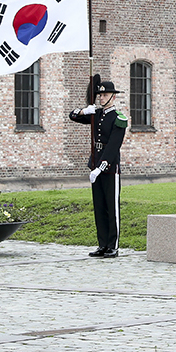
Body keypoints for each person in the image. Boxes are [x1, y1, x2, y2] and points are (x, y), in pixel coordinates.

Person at [69, 80, 128, 258]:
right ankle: (102, 244)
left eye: (104, 95)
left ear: (113, 96)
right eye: (99, 95)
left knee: (111, 208)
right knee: (99, 208)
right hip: (95, 166)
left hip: (109, 168)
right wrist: (83, 111)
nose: (101, 98)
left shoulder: (118, 118)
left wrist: (100, 168)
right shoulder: (96, 114)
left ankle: (113, 246)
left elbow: (112, 147)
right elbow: (72, 116)